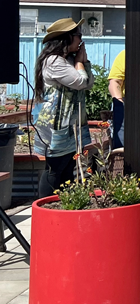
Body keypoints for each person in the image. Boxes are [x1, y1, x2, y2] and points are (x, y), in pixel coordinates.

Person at [33, 18, 94, 197]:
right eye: (78, 36)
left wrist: (82, 62)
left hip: (71, 124)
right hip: (56, 124)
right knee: (55, 167)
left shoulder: (69, 60)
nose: (81, 41)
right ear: (66, 38)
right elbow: (80, 81)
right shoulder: (53, 61)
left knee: (68, 166)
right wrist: (80, 62)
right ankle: (44, 206)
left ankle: (64, 205)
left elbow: (89, 83)